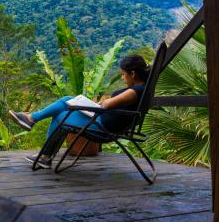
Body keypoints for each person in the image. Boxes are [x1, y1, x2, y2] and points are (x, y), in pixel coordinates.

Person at [9, 55, 150, 169]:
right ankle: (32, 122)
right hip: (100, 120)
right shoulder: (142, 90)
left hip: (101, 127)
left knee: (61, 115)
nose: (122, 78)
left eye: (123, 74)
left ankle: (43, 150)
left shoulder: (134, 92)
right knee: (68, 99)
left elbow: (107, 104)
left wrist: (102, 103)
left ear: (132, 73)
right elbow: (111, 105)